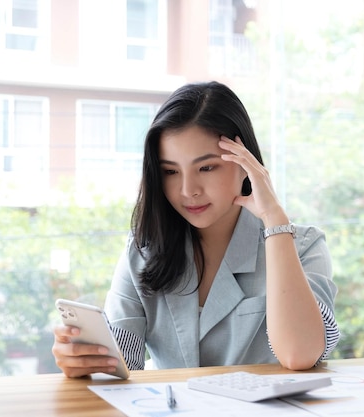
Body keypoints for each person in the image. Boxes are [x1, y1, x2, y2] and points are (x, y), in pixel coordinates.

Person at [52, 81, 339, 376]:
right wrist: (84, 358)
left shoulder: (303, 246)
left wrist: (274, 219)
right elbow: (119, 363)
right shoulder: (145, 249)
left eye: (206, 168)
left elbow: (299, 354)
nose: (188, 190)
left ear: (246, 164)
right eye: (170, 172)